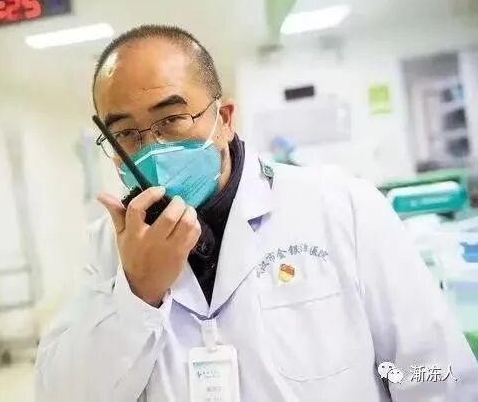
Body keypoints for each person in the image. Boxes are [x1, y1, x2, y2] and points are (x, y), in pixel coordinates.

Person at [35, 25, 478, 402]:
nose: (151, 148)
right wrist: (137, 295)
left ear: (224, 119)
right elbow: (63, 393)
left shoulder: (342, 207)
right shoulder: (108, 246)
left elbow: (437, 375)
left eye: (171, 119)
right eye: (126, 134)